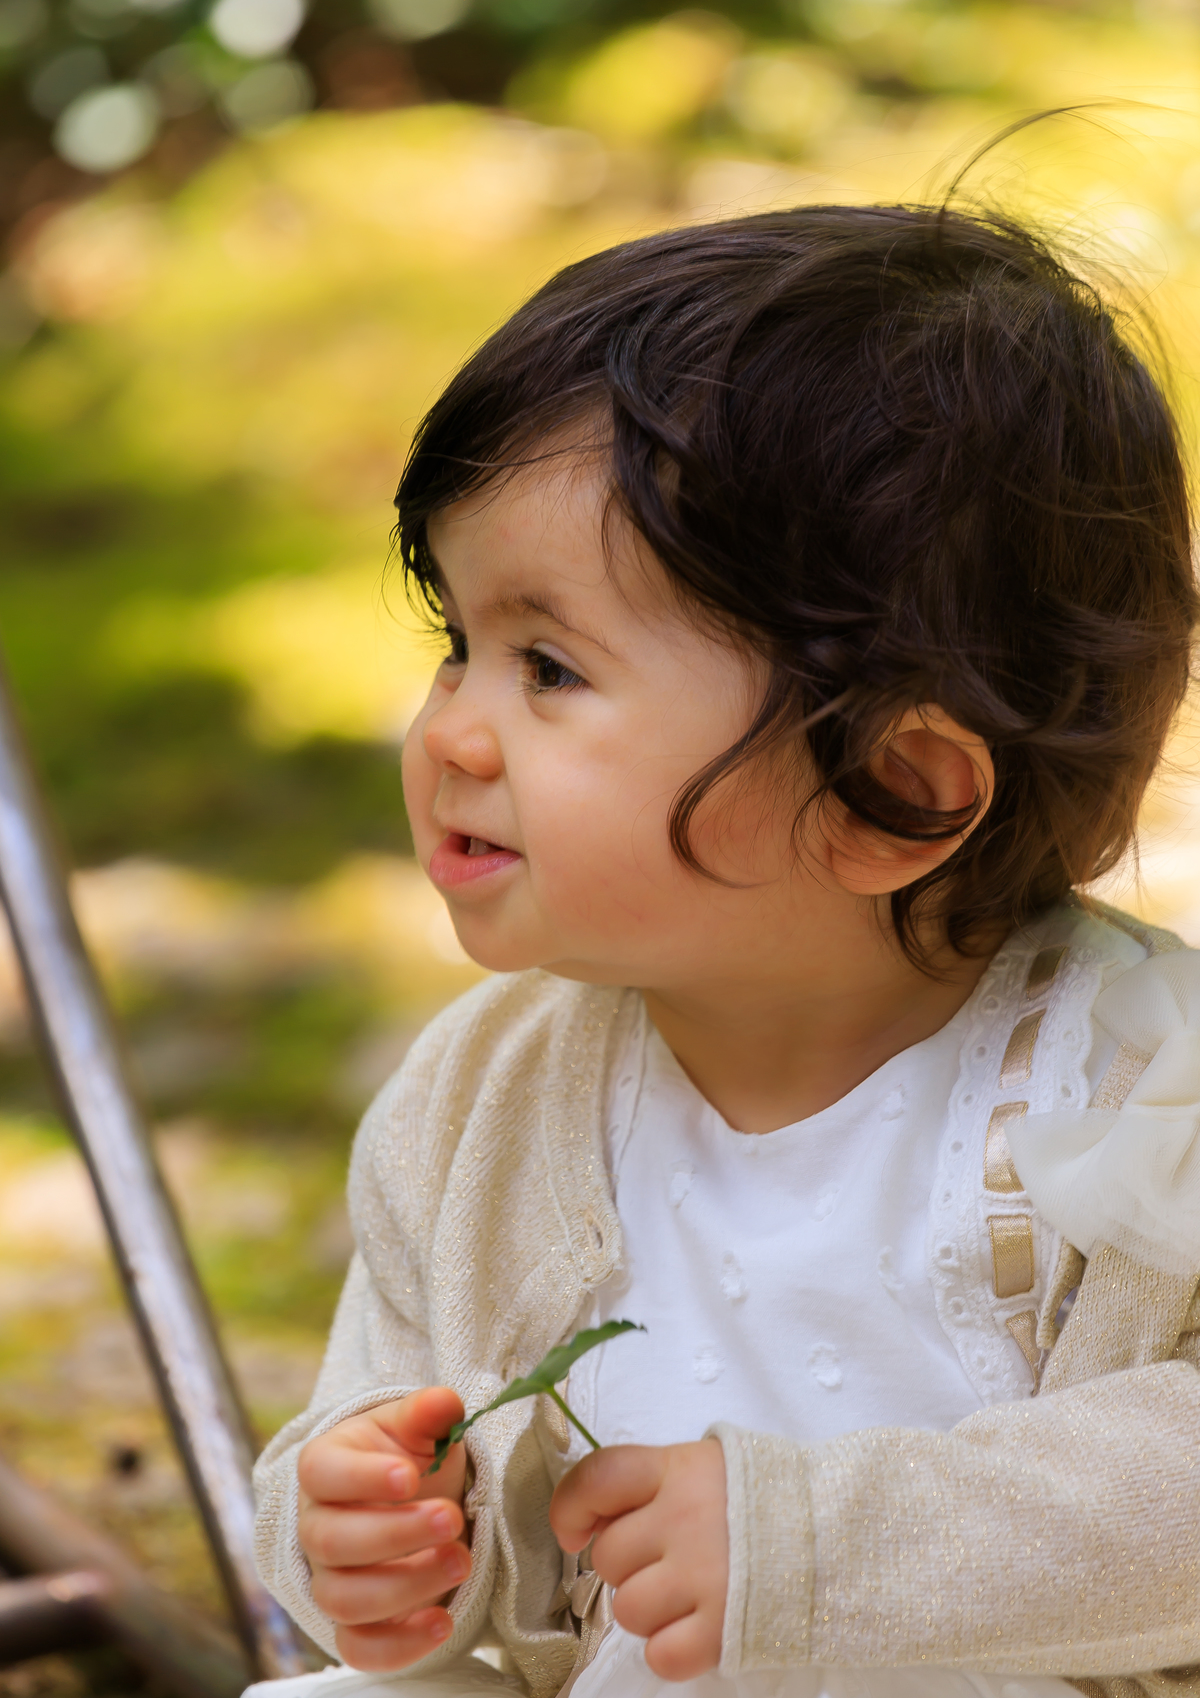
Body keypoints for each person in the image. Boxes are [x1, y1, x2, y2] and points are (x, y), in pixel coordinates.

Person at [249, 205, 1200, 1698]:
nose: (449, 734)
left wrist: (815, 1550)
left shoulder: (1139, 1089)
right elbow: (400, 1424)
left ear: (892, 793)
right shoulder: (484, 1099)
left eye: (548, 666)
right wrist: (363, 1532)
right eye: (455, 643)